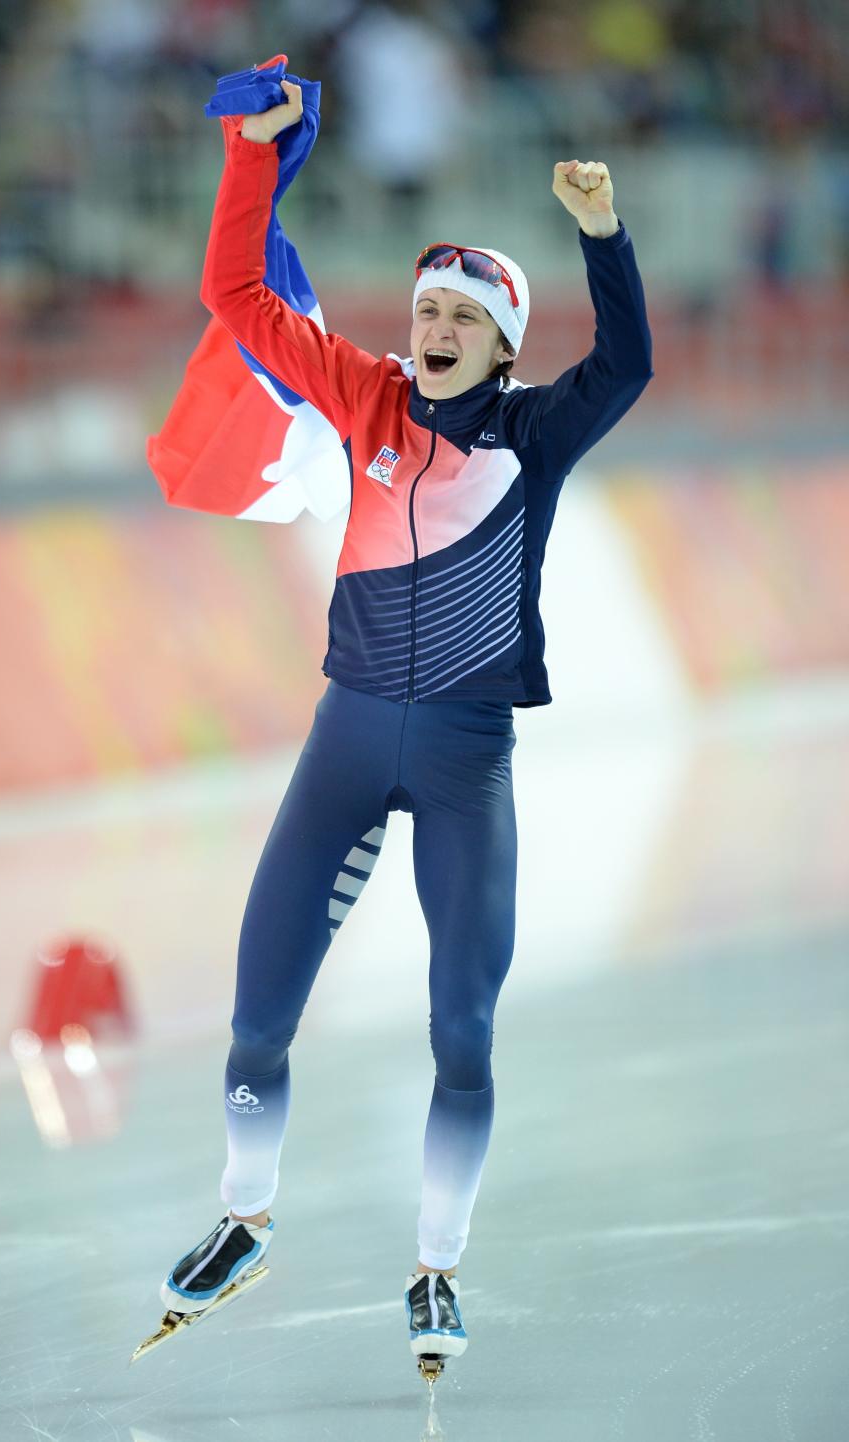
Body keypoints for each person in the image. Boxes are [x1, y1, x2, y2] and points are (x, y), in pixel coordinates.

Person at [147, 75, 653, 1372]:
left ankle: (437, 1267)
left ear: (498, 343)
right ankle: (243, 1217)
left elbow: (629, 363)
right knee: (258, 1015)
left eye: (458, 316)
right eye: (423, 307)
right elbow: (239, 301)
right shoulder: (365, 397)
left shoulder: (535, 437)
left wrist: (603, 235)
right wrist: (254, 164)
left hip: (467, 757)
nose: (429, 326)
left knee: (462, 1031)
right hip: (350, 737)